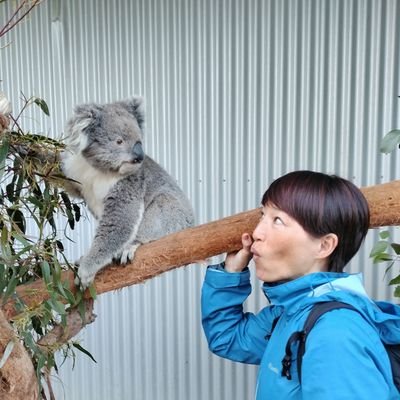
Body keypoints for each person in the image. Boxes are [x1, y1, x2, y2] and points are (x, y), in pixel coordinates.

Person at [201, 170, 400, 399]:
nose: (256, 232)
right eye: (262, 215)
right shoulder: (291, 313)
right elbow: (228, 338)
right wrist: (231, 273)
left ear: (324, 246)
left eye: (278, 220)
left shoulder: (335, 333)